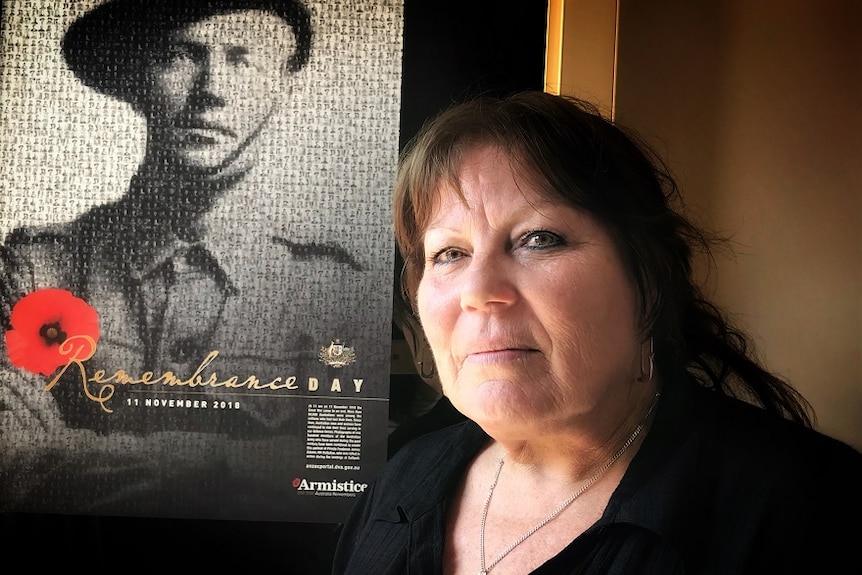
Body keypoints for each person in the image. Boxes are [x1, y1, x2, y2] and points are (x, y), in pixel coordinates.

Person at [332, 91, 862, 574]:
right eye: (449, 254)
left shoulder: (806, 510)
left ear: (649, 281)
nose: (478, 290)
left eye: (538, 238)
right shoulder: (403, 483)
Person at [0, 0, 389, 526]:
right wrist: (233, 472)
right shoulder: (38, 268)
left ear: (285, 84)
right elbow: (10, 464)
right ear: (134, 75)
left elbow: (341, 475)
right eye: (181, 55)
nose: (212, 91)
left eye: (242, 59)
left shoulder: (336, 288)